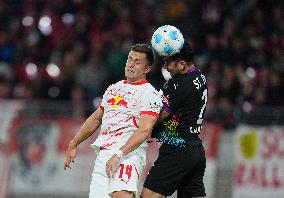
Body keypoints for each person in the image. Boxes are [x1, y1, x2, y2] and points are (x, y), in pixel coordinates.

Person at [64, 43, 163, 198]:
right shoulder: (113, 89)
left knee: (121, 195)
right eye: (130, 59)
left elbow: (144, 130)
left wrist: (119, 154)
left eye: (137, 62)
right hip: (103, 156)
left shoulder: (150, 94)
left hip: (128, 155)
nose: (131, 65)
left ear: (147, 69)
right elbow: (96, 118)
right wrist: (74, 143)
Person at [141, 41, 208, 198]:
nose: (165, 66)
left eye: (169, 62)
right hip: (196, 149)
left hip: (177, 150)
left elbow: (156, 117)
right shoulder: (199, 75)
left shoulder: (179, 85)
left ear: (182, 64)